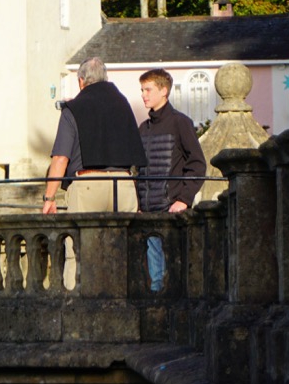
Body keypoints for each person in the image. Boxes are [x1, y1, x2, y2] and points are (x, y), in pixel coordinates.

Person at [42, 57, 147, 214]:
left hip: (87, 186)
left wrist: (49, 198)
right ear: (105, 78)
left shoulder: (73, 109)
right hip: (123, 184)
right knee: (122, 239)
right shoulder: (123, 104)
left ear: (81, 81)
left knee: (83, 238)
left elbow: (60, 158)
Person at [136, 67, 206, 291]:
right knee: (155, 275)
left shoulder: (180, 123)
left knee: (174, 271)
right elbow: (140, 170)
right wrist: (138, 203)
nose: (143, 94)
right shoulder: (143, 128)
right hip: (148, 209)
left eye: (148, 89)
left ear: (163, 91)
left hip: (171, 207)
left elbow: (197, 163)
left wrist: (183, 199)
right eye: (142, 90)